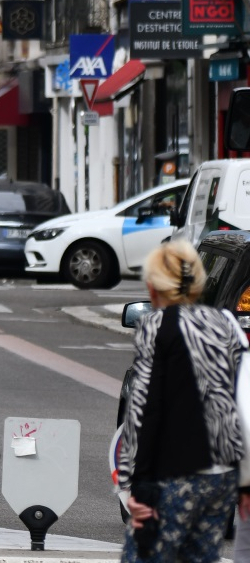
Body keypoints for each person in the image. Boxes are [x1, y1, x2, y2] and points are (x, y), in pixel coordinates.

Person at [117, 240, 243, 563]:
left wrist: (133, 486)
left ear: (153, 286)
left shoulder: (157, 326)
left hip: (172, 474)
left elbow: (143, 408)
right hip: (221, 477)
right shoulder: (228, 325)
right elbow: (239, 403)